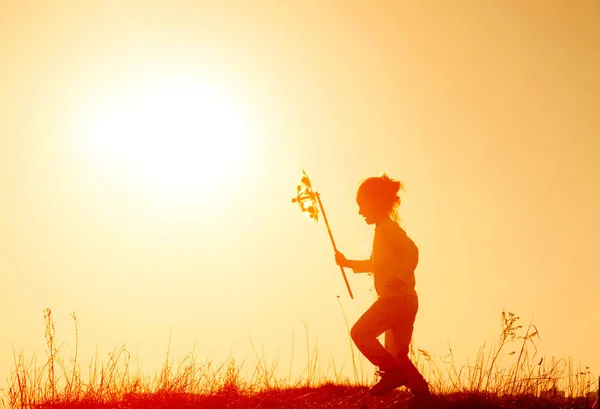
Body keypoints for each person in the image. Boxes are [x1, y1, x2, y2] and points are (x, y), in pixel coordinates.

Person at [334, 173, 431, 403]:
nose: (360, 212)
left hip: (395, 300)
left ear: (375, 202)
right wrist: (348, 263)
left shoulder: (387, 228)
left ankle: (392, 372)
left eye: (361, 205)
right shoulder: (383, 230)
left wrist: (399, 276)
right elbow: (374, 264)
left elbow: (412, 251)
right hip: (407, 301)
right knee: (398, 354)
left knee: (359, 333)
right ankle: (423, 395)